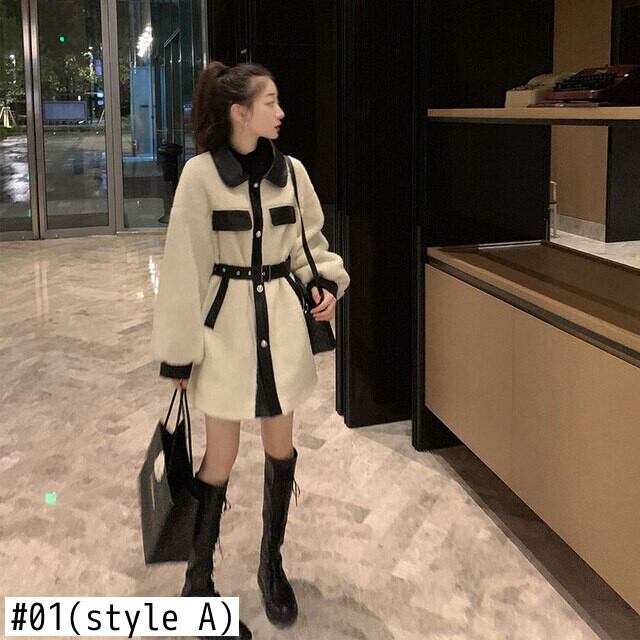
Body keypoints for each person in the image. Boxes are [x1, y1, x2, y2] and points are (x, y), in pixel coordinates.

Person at [150, 60, 351, 640]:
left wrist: (323, 285)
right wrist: (180, 354)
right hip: (225, 338)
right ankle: (197, 584)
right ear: (240, 111)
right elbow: (184, 268)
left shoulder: (293, 173)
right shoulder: (199, 177)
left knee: (280, 449)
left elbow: (309, 245)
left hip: (281, 332)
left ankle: (271, 564)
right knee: (219, 458)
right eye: (270, 102)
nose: (280, 112)